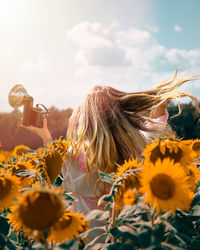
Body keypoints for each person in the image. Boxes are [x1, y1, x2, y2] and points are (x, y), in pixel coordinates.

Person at [24, 69, 200, 215]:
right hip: (130, 238)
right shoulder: (140, 144)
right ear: (120, 115)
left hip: (93, 240)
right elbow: (154, 127)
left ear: (85, 121)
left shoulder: (75, 155)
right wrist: (159, 108)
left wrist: (44, 135)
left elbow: (56, 164)